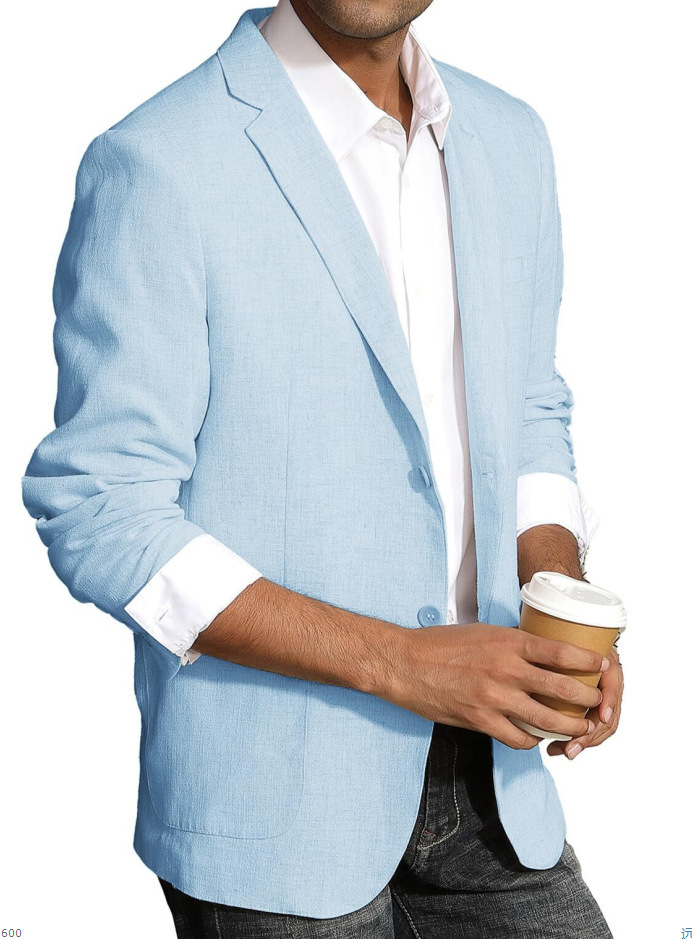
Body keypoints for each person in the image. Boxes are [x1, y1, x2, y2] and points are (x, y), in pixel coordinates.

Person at [21, 0, 624, 935]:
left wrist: (560, 607)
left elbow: (528, 406)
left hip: (498, 785)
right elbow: (102, 506)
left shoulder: (510, 140)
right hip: (272, 803)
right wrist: (403, 664)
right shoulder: (158, 161)